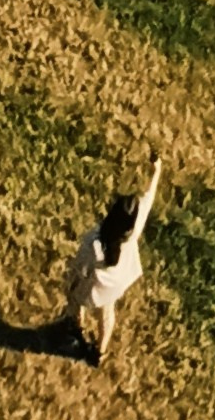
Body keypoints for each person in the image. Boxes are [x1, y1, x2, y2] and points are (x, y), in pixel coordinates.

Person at [64, 156, 163, 364]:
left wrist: (73, 283)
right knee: (107, 314)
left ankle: (76, 326)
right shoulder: (133, 231)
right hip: (117, 284)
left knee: (74, 298)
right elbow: (148, 197)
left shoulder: (95, 242)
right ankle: (99, 353)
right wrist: (156, 170)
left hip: (95, 286)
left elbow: (81, 268)